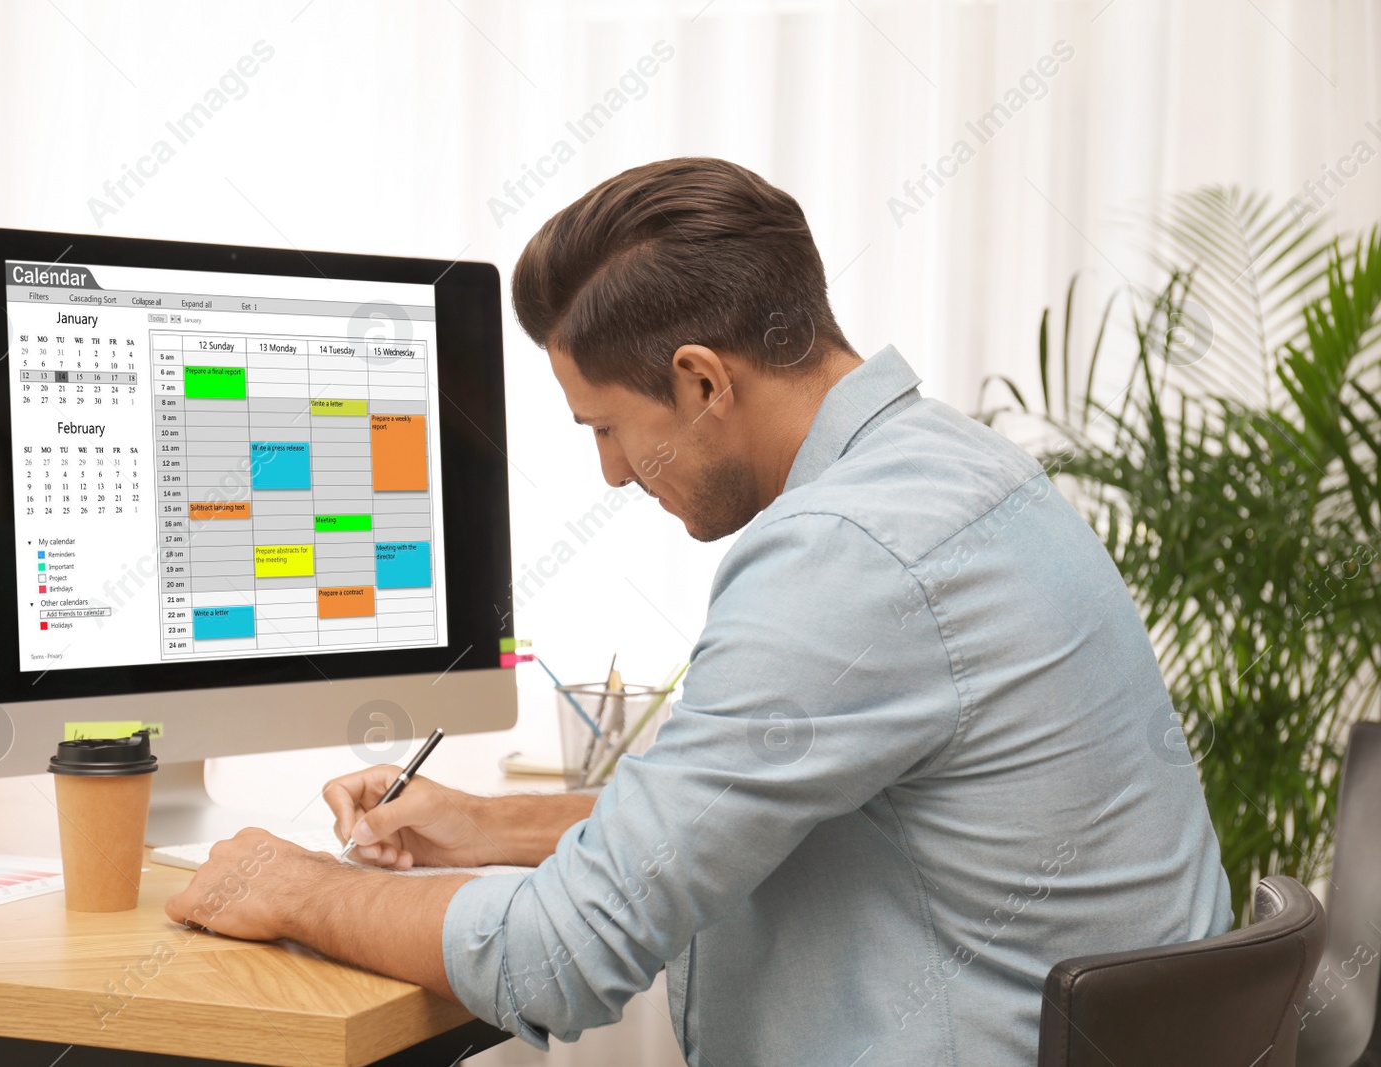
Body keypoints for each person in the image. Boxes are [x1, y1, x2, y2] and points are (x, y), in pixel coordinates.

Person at [166, 157, 1233, 1066]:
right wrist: (491, 824)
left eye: (608, 428)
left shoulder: (846, 554)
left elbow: (560, 955)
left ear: (701, 381)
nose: (614, 475)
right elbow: (789, 815)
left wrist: (293, 883)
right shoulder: (948, 469)